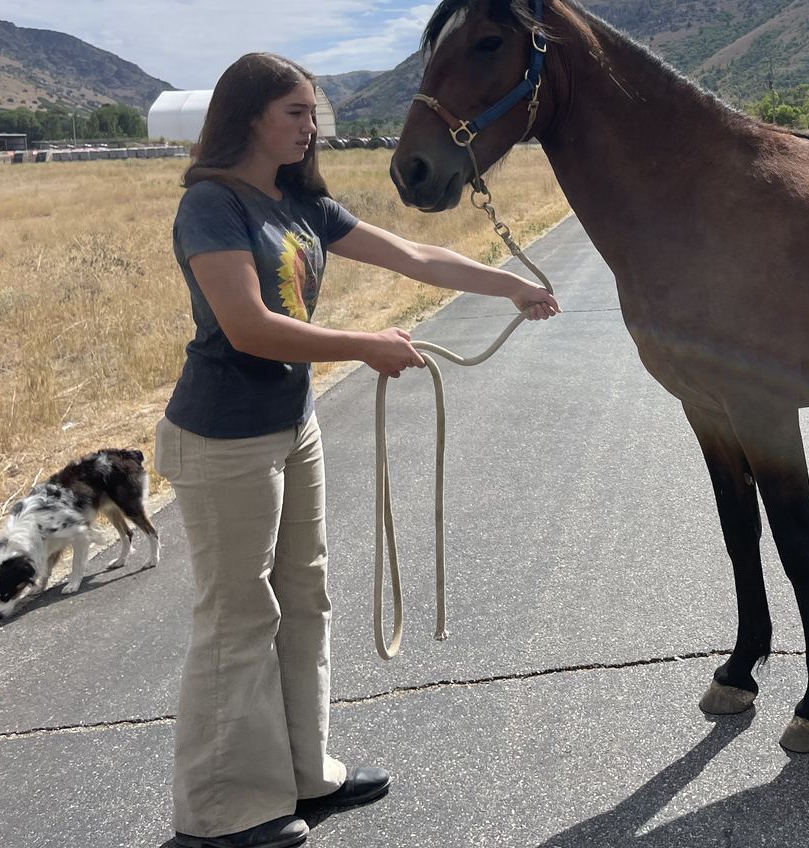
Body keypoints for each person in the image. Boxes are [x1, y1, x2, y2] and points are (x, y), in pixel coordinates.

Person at [156, 52, 559, 848]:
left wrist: (510, 284)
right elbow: (248, 327)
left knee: (305, 599)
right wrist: (365, 345)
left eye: (314, 113)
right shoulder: (212, 204)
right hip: (223, 437)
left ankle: (305, 773)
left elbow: (415, 257)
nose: (312, 129)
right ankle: (222, 813)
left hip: (290, 427)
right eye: (296, 113)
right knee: (239, 617)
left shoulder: (302, 202)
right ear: (248, 117)